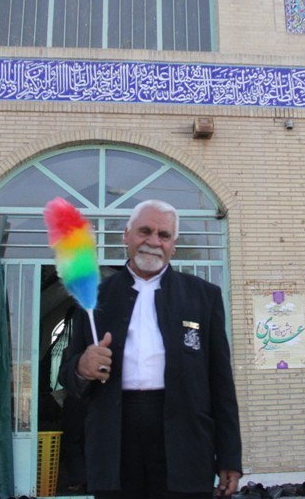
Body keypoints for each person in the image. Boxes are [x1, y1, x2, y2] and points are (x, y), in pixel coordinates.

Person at [59, 199, 242, 499]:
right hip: (115, 443)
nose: (154, 242)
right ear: (126, 235)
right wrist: (81, 367)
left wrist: (229, 456)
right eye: (145, 231)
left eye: (164, 235)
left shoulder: (203, 296)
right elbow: (67, 376)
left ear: (173, 245)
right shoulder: (93, 298)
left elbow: (221, 383)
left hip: (185, 443)